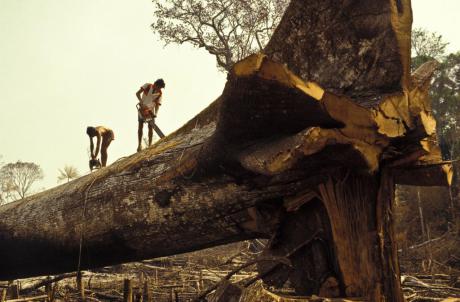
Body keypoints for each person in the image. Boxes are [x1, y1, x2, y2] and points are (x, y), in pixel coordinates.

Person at [136, 78, 165, 152]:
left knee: (151, 127)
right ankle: (139, 145)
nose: (158, 88)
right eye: (158, 87)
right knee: (140, 126)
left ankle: (150, 145)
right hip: (142, 108)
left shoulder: (159, 94)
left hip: (150, 111)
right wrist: (141, 102)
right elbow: (137, 93)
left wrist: (155, 114)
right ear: (155, 84)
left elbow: (157, 105)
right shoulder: (147, 86)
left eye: (160, 88)